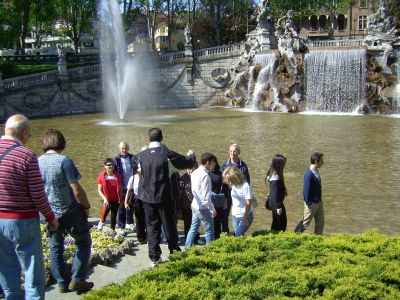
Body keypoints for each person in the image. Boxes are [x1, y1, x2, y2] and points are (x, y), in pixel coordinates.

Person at [0, 114, 58, 299]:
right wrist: (50, 217)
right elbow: (38, 195)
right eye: (30, 134)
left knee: (6, 270)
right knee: (33, 272)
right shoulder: (26, 155)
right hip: (22, 220)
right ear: (24, 133)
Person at [38, 129, 94, 293]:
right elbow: (77, 190)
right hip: (69, 210)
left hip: (49, 212)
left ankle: (62, 283)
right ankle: (78, 279)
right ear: (61, 143)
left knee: (55, 248)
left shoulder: (37, 161)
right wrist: (86, 206)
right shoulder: (64, 161)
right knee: (83, 242)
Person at [137, 128, 195, 267]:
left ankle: (154, 258)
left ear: (148, 139)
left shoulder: (140, 156)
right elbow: (188, 163)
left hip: (148, 198)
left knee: (152, 228)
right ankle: (174, 253)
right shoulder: (167, 154)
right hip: (165, 198)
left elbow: (137, 169)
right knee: (169, 226)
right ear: (162, 138)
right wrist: (192, 155)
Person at [185, 153, 217, 248]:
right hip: (203, 208)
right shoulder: (205, 176)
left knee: (193, 229)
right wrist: (212, 210)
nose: (213, 165)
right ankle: (209, 253)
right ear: (207, 163)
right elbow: (206, 197)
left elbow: (194, 190)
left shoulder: (195, 172)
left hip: (195, 205)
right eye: (212, 163)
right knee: (209, 231)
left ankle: (187, 249)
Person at [220, 143, 250, 234]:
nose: (232, 153)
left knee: (240, 215)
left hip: (239, 195)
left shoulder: (243, 165)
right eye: (231, 151)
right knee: (224, 215)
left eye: (235, 151)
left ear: (239, 152)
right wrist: (224, 197)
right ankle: (225, 233)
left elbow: (247, 182)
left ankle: (240, 233)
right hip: (228, 194)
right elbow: (221, 181)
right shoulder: (225, 164)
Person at [294, 152, 325, 235]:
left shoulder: (316, 171)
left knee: (320, 223)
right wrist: (308, 203)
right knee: (305, 223)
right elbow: (306, 190)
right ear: (316, 162)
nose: (323, 163)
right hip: (311, 204)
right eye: (321, 161)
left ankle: (317, 240)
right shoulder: (309, 174)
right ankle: (293, 236)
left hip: (319, 202)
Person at [222, 166, 255, 236]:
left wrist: (245, 218)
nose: (230, 183)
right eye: (228, 180)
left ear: (237, 177)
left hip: (245, 215)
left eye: (231, 180)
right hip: (235, 215)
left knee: (237, 235)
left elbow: (249, 202)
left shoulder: (245, 186)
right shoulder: (233, 184)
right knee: (239, 236)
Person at [114, 142, 137, 235]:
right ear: (119, 149)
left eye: (126, 148)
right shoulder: (116, 160)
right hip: (122, 187)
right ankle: (121, 226)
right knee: (122, 207)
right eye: (122, 148)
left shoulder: (133, 158)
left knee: (130, 205)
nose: (124, 150)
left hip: (132, 186)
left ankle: (130, 223)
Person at [177, 163, 203, 244]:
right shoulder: (184, 178)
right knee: (188, 223)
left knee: (196, 222)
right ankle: (189, 239)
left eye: (191, 169)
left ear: (196, 168)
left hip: (197, 203)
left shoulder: (199, 176)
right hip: (186, 204)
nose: (189, 171)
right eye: (188, 169)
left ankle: (196, 237)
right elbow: (179, 191)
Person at [97, 158, 123, 233]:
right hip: (106, 198)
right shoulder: (101, 176)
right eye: (108, 165)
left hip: (115, 198)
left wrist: (121, 200)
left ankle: (113, 230)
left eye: (112, 164)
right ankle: (101, 222)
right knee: (105, 210)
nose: (110, 166)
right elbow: (99, 190)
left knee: (114, 215)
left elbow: (120, 189)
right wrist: (104, 198)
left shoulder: (118, 175)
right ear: (105, 166)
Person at [265, 154, 287, 232]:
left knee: (276, 222)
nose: (284, 166)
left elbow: (273, 190)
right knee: (281, 223)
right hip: (276, 202)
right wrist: (278, 207)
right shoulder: (275, 177)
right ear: (278, 165)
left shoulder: (272, 174)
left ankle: (272, 237)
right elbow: (275, 193)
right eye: (283, 164)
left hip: (273, 200)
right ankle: (275, 238)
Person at [125, 170, 147, 244]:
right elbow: (129, 191)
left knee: (148, 219)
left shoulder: (147, 176)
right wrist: (126, 202)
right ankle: (141, 238)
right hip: (137, 200)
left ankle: (149, 236)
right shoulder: (133, 178)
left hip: (147, 200)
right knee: (138, 220)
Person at [209, 159, 227, 240]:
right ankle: (210, 240)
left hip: (218, 200)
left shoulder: (220, 173)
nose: (209, 164)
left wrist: (225, 201)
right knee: (209, 222)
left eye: (211, 162)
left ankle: (217, 239)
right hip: (208, 200)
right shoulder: (205, 173)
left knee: (218, 221)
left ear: (215, 162)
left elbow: (226, 187)